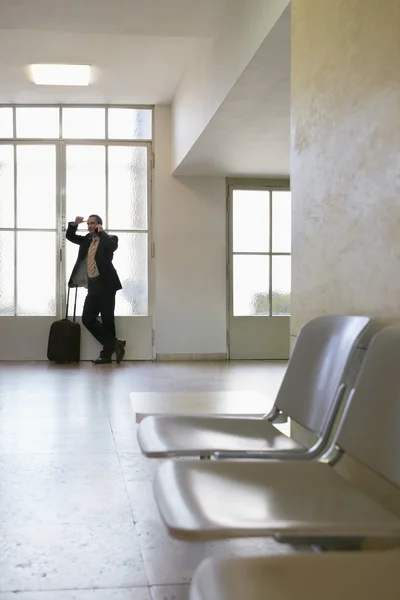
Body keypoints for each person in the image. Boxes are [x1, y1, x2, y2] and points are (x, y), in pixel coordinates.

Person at [66, 214, 126, 365]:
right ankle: (115, 343)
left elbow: (112, 248)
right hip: (93, 285)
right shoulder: (87, 239)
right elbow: (70, 237)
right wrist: (74, 224)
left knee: (107, 319)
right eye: (89, 224)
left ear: (99, 224)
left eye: (93, 223)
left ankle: (106, 355)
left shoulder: (111, 238)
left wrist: (102, 233)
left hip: (106, 285)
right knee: (87, 318)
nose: (90, 226)